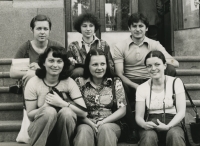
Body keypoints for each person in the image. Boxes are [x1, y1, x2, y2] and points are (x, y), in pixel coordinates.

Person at [113, 12, 179, 132]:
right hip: (130, 82)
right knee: (118, 83)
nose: (138, 29)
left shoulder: (154, 44)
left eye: (141, 26)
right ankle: (132, 128)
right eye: (134, 26)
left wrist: (164, 60)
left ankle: (168, 109)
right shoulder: (120, 46)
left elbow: (175, 63)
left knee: (170, 69)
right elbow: (119, 73)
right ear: (129, 28)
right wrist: (136, 86)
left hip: (151, 80)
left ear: (146, 28)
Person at [24, 46, 87, 146]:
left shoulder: (69, 82)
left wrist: (62, 103)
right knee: (49, 111)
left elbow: (84, 113)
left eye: (59, 61)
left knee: (67, 112)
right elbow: (30, 115)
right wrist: (45, 107)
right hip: (39, 130)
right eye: (51, 61)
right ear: (44, 63)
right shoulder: (33, 82)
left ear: (64, 64)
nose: (55, 65)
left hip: (63, 133)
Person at [73, 49, 127, 146]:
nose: (99, 68)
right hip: (86, 122)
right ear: (88, 66)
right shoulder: (79, 82)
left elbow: (122, 110)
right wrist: (91, 123)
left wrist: (103, 122)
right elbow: (76, 110)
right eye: (95, 64)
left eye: (102, 64)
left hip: (110, 123)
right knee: (84, 132)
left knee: (105, 129)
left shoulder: (115, 82)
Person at [135, 50, 186, 146]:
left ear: (165, 65)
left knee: (175, 134)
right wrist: (144, 124)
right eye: (149, 66)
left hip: (173, 121)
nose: (153, 68)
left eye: (157, 64)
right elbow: (138, 117)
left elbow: (181, 112)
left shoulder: (176, 82)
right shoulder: (142, 88)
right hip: (151, 122)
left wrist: (168, 126)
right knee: (148, 137)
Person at [12, 14, 63, 86]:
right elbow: (12, 73)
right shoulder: (26, 47)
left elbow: (67, 68)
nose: (42, 32)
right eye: (39, 28)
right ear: (31, 29)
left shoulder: (56, 46)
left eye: (45, 29)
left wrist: (39, 71)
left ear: (50, 30)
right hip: (31, 90)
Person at [67, 13, 114, 79]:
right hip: (80, 79)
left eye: (91, 26)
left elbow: (111, 66)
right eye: (84, 26)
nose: (88, 29)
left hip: (100, 77)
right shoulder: (73, 46)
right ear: (79, 28)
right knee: (78, 71)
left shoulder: (103, 44)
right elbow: (68, 70)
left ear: (95, 28)